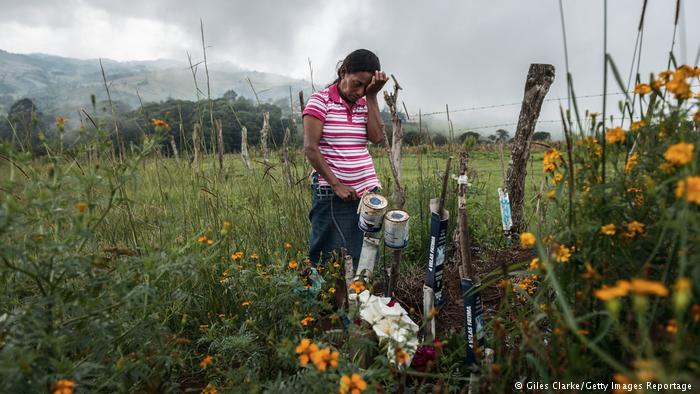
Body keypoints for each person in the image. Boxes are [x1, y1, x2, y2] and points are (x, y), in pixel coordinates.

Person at [302, 49, 388, 268]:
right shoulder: (320, 102)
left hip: (367, 193)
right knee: (327, 257)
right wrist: (336, 184)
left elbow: (377, 137)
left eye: (365, 87)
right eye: (356, 84)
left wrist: (372, 96)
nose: (358, 91)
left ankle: (355, 300)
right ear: (343, 72)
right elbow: (311, 148)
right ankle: (326, 302)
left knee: (363, 255)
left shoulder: (364, 102)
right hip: (333, 194)